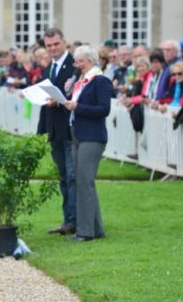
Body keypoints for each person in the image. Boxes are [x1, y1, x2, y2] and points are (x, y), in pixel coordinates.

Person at [63, 45, 112, 241]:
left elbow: (103, 109)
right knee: (83, 181)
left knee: (85, 182)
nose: (77, 65)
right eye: (77, 61)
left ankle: (85, 232)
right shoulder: (81, 81)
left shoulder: (100, 81)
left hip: (92, 136)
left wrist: (78, 107)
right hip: (78, 133)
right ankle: (97, 229)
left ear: (90, 60)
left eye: (80, 61)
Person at [37, 27, 77, 236]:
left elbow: (74, 94)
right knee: (63, 176)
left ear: (64, 43)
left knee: (72, 176)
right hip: (55, 129)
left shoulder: (74, 66)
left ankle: (74, 220)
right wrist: (42, 131)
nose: (53, 48)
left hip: (70, 128)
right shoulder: (48, 69)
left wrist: (59, 102)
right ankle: (67, 219)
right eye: (49, 45)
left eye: (56, 44)